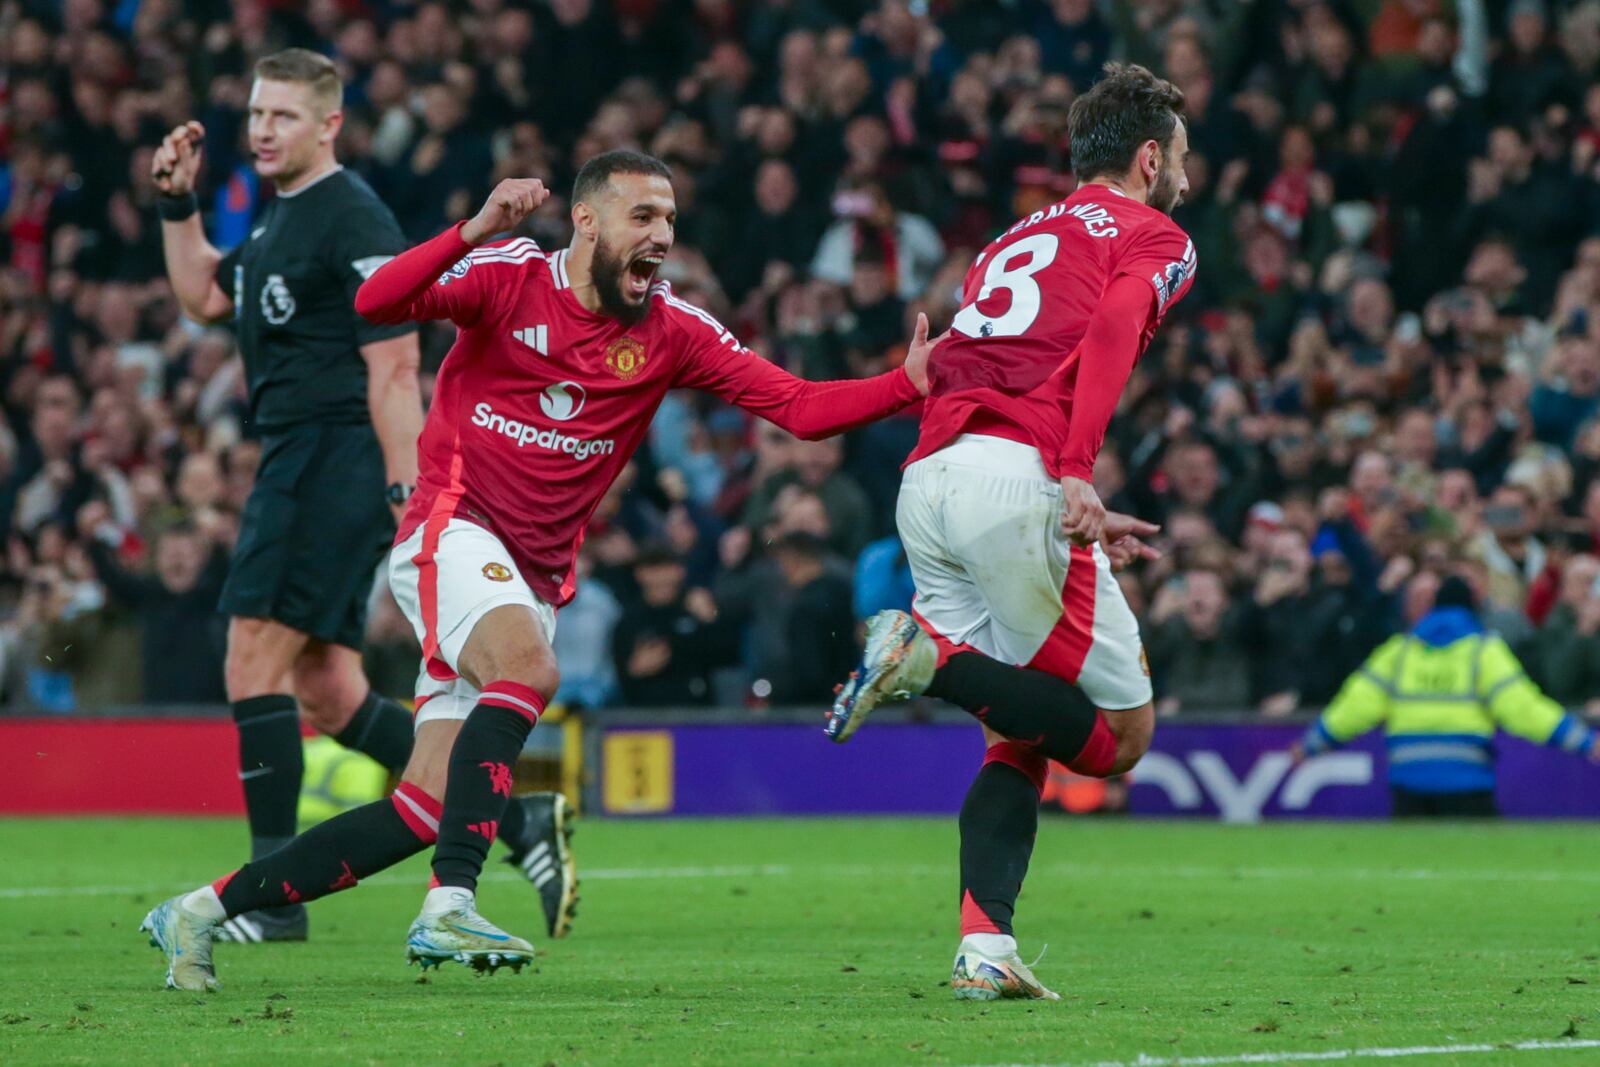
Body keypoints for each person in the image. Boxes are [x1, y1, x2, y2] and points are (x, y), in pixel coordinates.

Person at [141, 149, 935, 991]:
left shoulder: (673, 330)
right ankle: (449, 905)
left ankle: (197, 910)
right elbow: (377, 300)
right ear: (587, 220)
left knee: (421, 807)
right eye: (643, 217)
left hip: (531, 577)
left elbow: (799, 408)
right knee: (529, 669)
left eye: (669, 219)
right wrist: (473, 227)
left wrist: (904, 384)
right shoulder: (508, 276)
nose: (662, 235)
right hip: (450, 530)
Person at [826, 63, 1196, 1000]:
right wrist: (1073, 468)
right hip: (1019, 478)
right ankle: (927, 660)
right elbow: (1113, 326)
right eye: (1182, 158)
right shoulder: (1158, 233)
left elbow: (993, 357)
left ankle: (984, 947)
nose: (1187, 178)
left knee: (1017, 728)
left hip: (934, 478)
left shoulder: (1009, 238)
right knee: (1123, 736)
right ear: (1150, 158)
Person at [149, 48, 439, 943]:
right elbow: (203, 294)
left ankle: (272, 902)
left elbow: (394, 363)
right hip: (299, 457)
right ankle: (512, 820)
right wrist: (176, 203)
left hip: (332, 455)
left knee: (249, 659)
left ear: (330, 125)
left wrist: (404, 485)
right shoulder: (278, 221)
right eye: (256, 114)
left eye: (282, 116)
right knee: (327, 688)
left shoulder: (352, 213)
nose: (263, 129)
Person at [1293, 576, 1600, 816]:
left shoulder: (1399, 652)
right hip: (1467, 784)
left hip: (1408, 785)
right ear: (1473, 609)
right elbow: (1524, 709)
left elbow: (1355, 707)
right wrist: (1585, 741)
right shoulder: (1483, 651)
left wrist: (1312, 744)